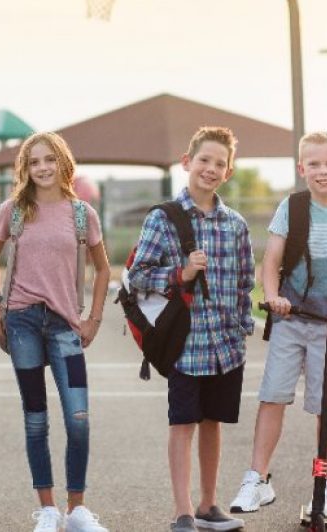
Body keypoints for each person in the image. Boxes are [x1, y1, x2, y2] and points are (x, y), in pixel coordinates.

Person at [228, 132, 327, 520]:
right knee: (273, 396)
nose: (323, 171)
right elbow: (271, 262)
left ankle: (324, 485)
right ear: (302, 169)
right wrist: (274, 296)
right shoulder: (293, 207)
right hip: (292, 318)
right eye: (314, 164)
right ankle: (257, 479)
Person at [128, 126, 255, 532]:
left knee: (213, 422)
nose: (211, 168)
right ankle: (182, 511)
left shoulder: (235, 225)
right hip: (186, 344)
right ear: (187, 162)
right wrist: (180, 272)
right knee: (182, 423)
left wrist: (242, 328)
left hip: (225, 344)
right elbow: (135, 277)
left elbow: (245, 282)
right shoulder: (163, 219)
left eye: (220, 163)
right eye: (204, 160)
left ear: (229, 172)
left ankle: (208, 504)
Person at [0, 132, 112, 532]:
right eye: (34, 161)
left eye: (49, 160)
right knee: (36, 417)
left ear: (63, 163)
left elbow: (103, 268)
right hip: (22, 323)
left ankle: (76, 510)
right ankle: (48, 509)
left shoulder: (81, 214)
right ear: (26, 168)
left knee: (78, 416)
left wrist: (93, 318)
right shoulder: (14, 210)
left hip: (65, 327)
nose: (42, 167)